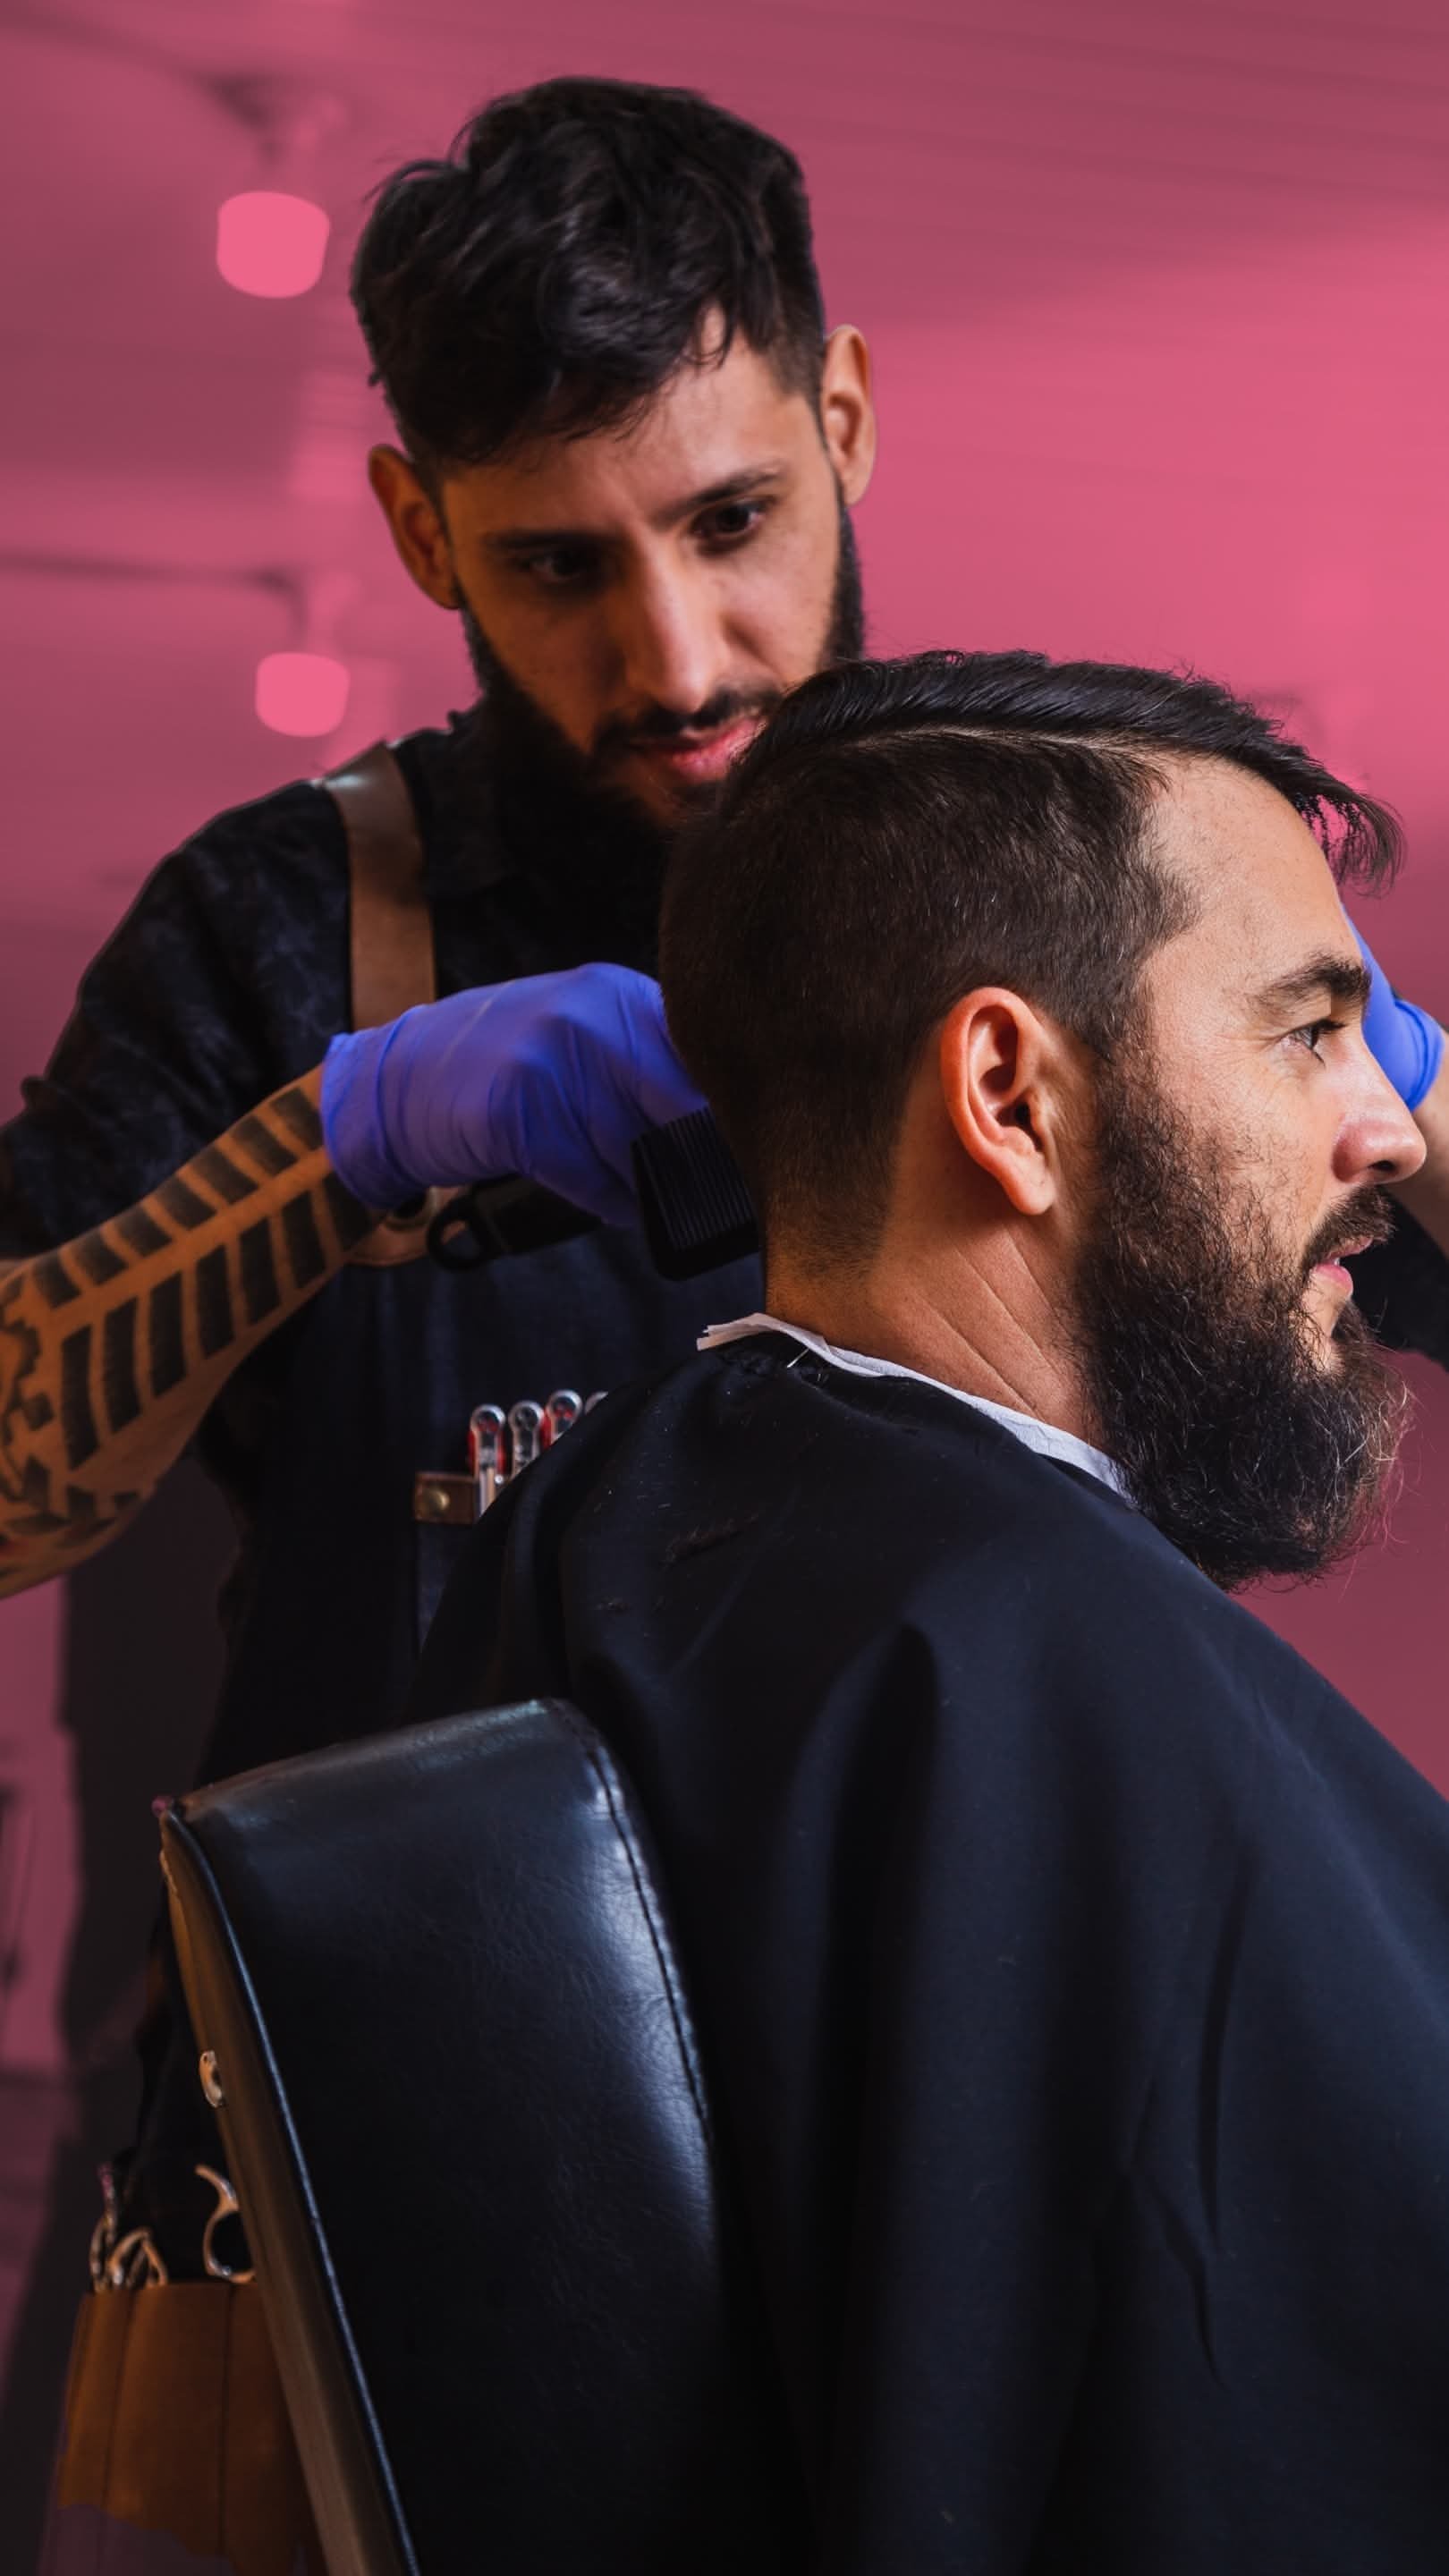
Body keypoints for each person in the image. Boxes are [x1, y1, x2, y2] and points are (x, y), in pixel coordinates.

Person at [20, 75, 876, 2576]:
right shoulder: (284, 928)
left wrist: (1373, 1075)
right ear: (414, 533)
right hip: (355, 2191)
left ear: (839, 414)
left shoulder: (1057, 878)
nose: (675, 651)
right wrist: (332, 1152)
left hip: (907, 2134)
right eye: (554, 570)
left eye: (730, 523)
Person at [411, 648, 1449, 2572]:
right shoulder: (1047, 1671)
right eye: (1311, 1032)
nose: (1390, 1129)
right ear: (1008, 1095)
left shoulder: (605, 1534)